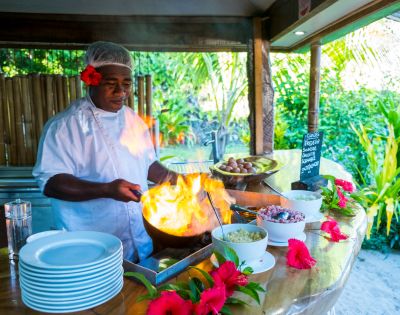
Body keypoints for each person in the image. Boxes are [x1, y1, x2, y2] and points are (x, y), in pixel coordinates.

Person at [33, 41, 177, 262]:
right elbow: (51, 183)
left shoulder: (131, 118)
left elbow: (147, 163)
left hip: (139, 241)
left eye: (126, 84)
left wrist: (179, 180)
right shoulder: (65, 126)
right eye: (111, 83)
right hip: (90, 250)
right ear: (91, 80)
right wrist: (107, 189)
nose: (121, 91)